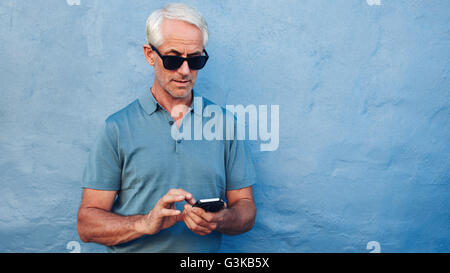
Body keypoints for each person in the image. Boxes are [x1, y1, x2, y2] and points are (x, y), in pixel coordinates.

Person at [77, 3, 257, 253]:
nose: (185, 71)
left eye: (195, 60)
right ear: (150, 54)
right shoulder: (117, 128)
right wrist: (145, 223)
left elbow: (245, 207)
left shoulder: (224, 124)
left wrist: (221, 219)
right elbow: (87, 225)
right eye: (173, 59)